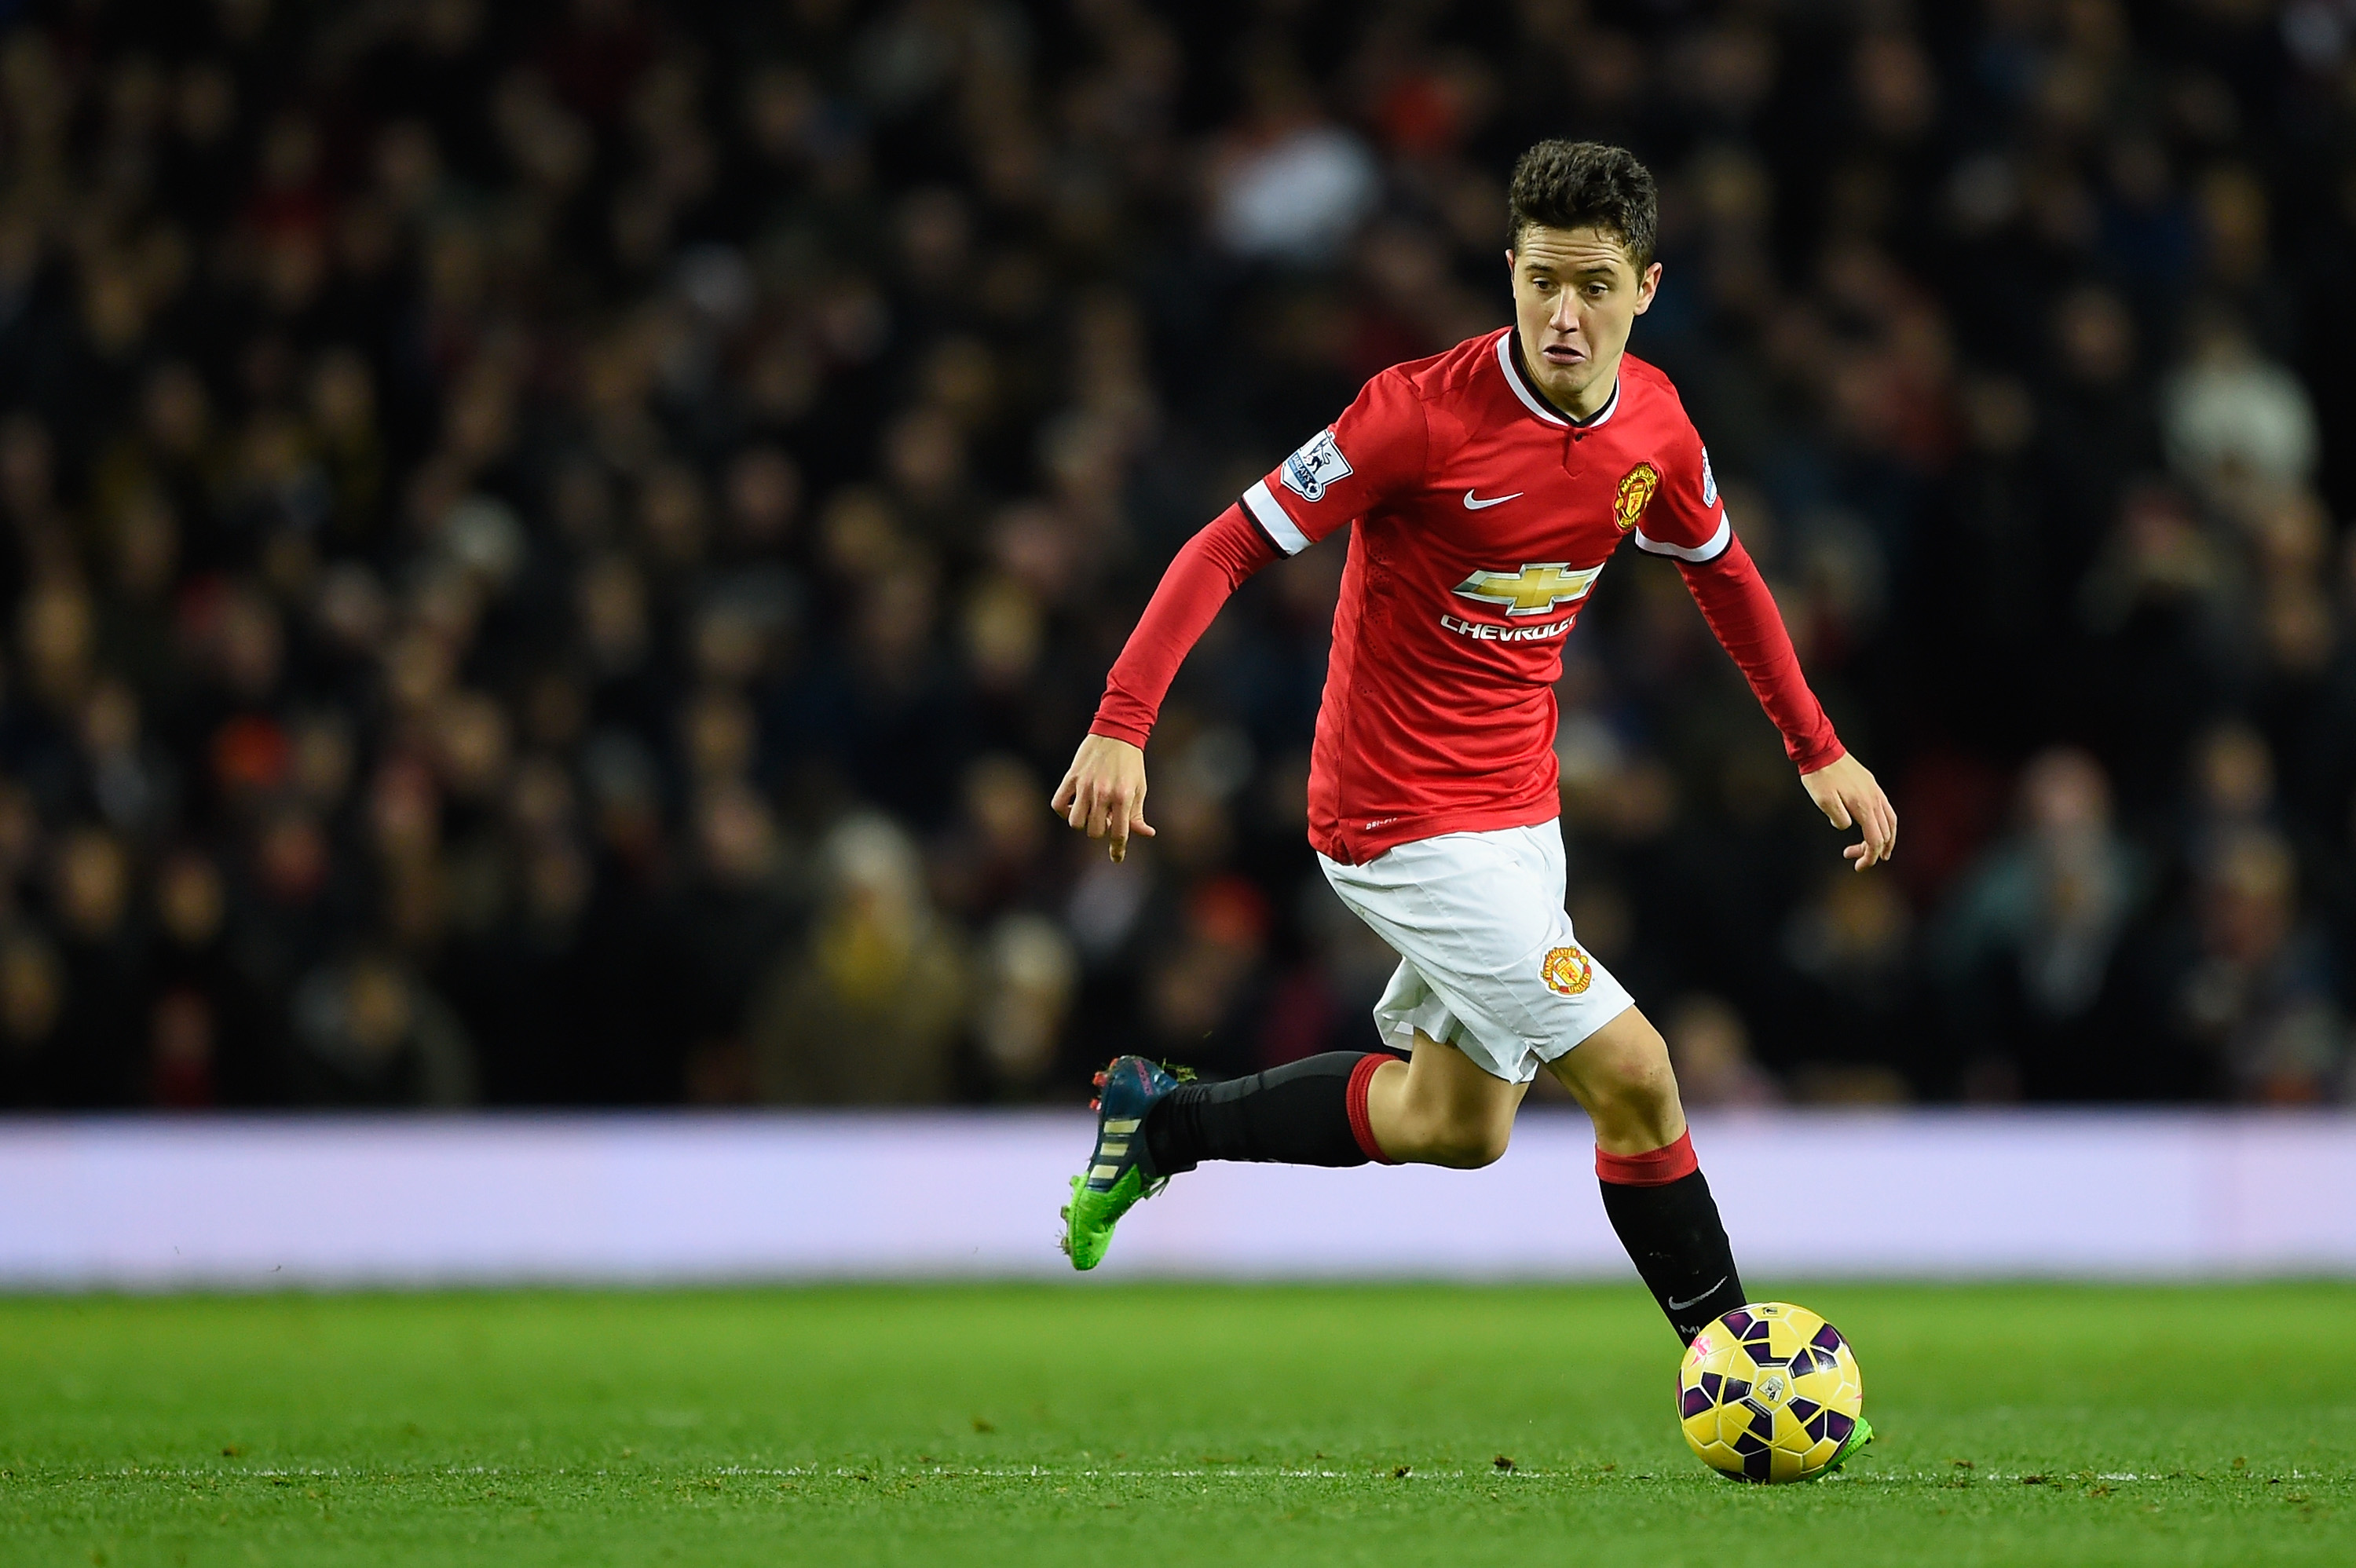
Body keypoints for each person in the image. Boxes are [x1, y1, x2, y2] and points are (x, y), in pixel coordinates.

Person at [1049, 142, 1896, 1382]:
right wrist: (1123, 721)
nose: (1565, 315)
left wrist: (1817, 747)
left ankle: (1162, 1120)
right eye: (1542, 280)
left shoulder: (1655, 424)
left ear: (1647, 287)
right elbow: (1228, 543)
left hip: (1518, 817)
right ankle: (1745, 1369)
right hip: (1395, 818)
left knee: (1456, 1123)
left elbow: (1724, 570)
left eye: (1595, 286)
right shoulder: (1415, 414)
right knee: (1638, 1072)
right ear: (1509, 271)